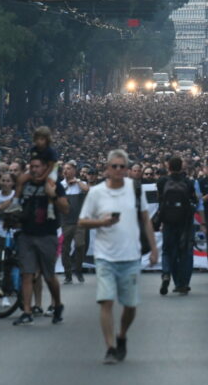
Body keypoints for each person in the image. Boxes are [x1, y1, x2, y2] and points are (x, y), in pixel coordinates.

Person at [79, 150, 158, 364]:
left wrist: (154, 249)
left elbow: (145, 219)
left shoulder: (135, 190)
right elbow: (82, 221)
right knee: (106, 301)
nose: (118, 170)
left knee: (130, 305)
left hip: (130, 256)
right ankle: (110, 347)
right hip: (104, 256)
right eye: (114, 166)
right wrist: (101, 223)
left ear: (127, 169)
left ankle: (122, 335)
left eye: (122, 166)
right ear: (107, 168)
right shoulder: (96, 192)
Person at [11, 156, 67, 326]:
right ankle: (27, 311)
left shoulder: (54, 185)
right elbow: (15, 202)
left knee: (49, 276)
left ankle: (57, 305)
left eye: (37, 166)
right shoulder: (25, 185)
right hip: (27, 234)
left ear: (45, 168)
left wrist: (53, 195)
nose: (34, 169)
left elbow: (65, 208)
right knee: (27, 274)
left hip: (47, 235)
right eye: (32, 166)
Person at [156, 156, 199, 296]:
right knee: (185, 252)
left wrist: (161, 220)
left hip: (168, 221)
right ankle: (183, 284)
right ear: (181, 167)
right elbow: (194, 201)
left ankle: (166, 273)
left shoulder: (162, 181)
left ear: (168, 167)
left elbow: (160, 201)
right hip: (185, 222)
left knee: (168, 251)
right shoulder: (188, 182)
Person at [60, 161, 89, 284]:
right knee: (65, 249)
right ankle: (68, 274)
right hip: (66, 222)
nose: (65, 171)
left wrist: (76, 181)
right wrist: (67, 185)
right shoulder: (60, 185)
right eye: (64, 169)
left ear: (74, 171)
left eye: (68, 169)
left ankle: (78, 269)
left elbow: (87, 189)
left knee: (80, 245)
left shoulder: (80, 183)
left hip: (79, 221)